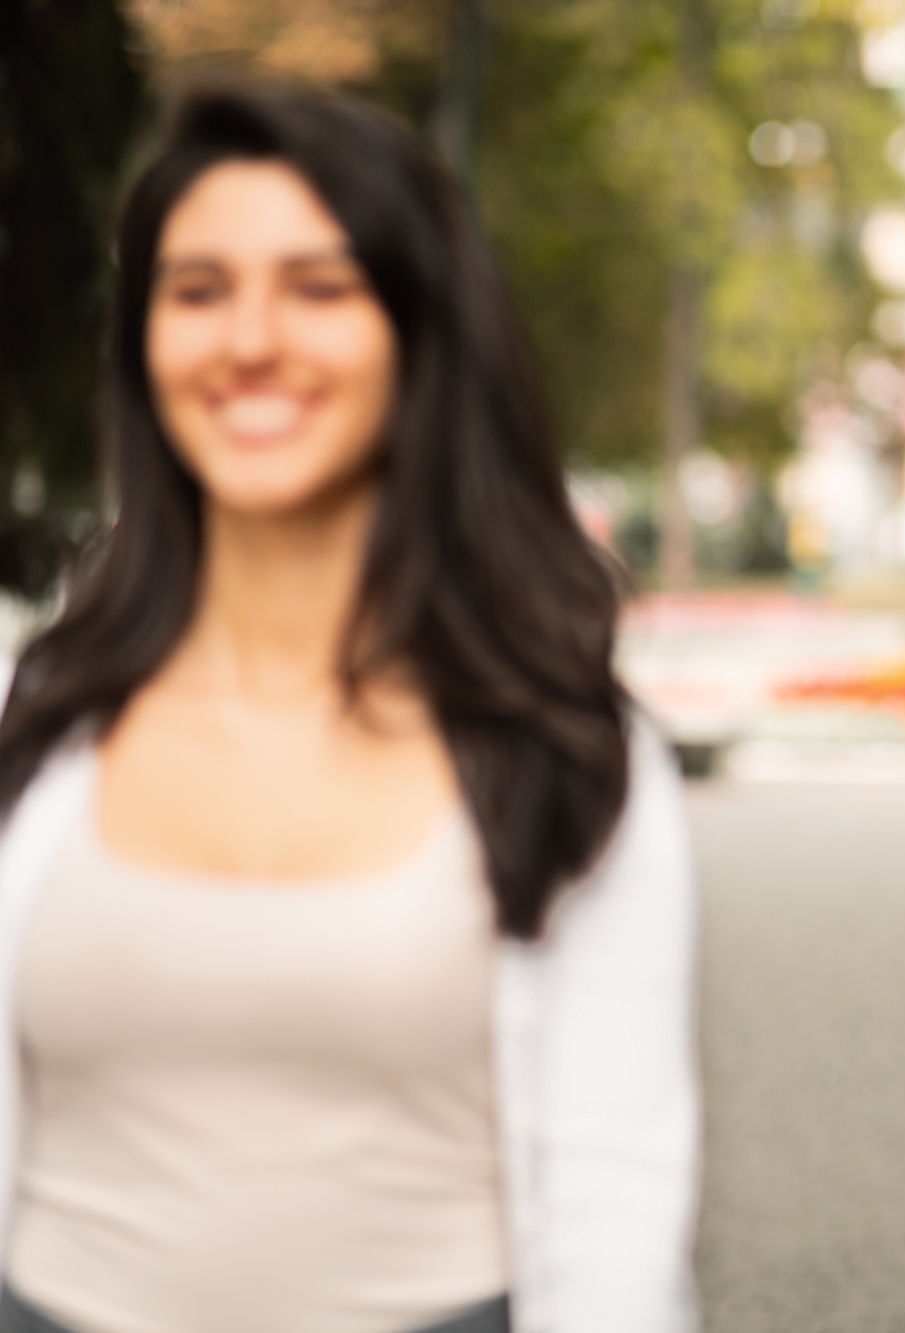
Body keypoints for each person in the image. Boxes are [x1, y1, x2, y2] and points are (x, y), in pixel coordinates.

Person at [0, 84, 699, 1333]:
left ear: (419, 333)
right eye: (198, 288)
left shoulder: (566, 749)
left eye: (319, 287)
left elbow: (615, 1201)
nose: (249, 338)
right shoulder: (40, 716)